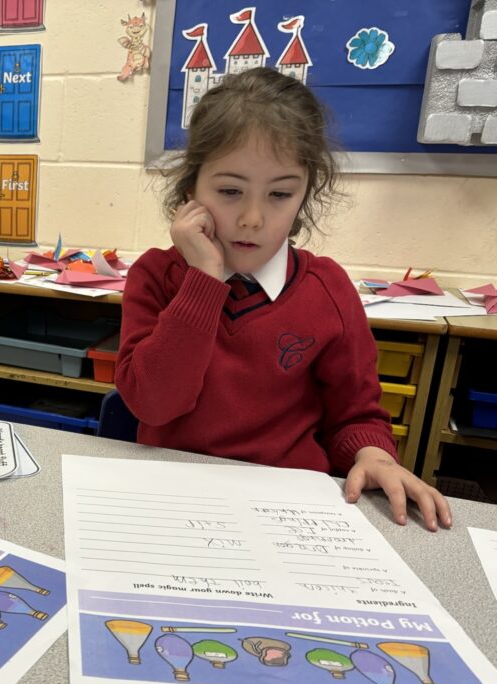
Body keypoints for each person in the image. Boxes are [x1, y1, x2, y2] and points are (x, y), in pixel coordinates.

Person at [115, 67, 451, 532]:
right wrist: (203, 281)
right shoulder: (157, 276)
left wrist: (374, 454)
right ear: (191, 189)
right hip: (172, 502)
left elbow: (355, 413)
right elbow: (154, 405)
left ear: (304, 195)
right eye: (230, 191)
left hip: (286, 511)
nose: (252, 217)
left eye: (279, 194)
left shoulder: (328, 289)